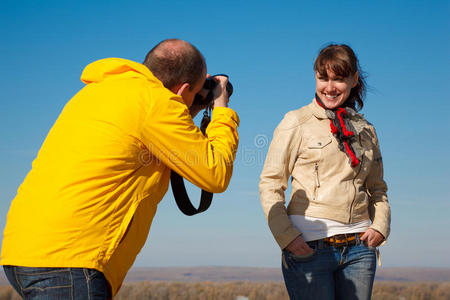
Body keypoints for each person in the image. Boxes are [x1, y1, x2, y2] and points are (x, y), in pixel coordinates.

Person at [1, 39, 240, 299]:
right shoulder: (156, 103)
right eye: (193, 92)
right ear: (183, 88)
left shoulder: (103, 91)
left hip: (23, 253)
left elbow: (151, 138)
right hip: (71, 261)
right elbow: (214, 173)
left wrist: (188, 106)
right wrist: (221, 109)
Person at [259, 44, 390, 300]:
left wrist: (381, 226)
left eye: (339, 79)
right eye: (323, 78)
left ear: (353, 79)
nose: (329, 87)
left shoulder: (366, 129)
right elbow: (270, 183)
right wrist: (286, 237)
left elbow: (377, 187)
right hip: (309, 248)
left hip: (360, 250)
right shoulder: (296, 122)